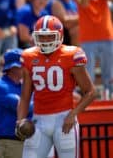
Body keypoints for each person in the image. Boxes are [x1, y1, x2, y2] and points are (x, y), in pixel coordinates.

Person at [17, 15, 97, 158]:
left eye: (50, 36)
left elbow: (90, 92)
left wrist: (73, 115)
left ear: (59, 35)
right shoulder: (28, 56)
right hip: (38, 120)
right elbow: (25, 95)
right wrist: (20, 120)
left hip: (63, 118)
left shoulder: (71, 55)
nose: (46, 41)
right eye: (42, 37)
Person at [71, 0, 113, 98]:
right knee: (89, 75)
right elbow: (84, 3)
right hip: (87, 38)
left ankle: (109, 98)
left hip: (106, 34)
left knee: (110, 74)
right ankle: (89, 101)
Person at [0, 48, 33, 158]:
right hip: (11, 143)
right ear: (14, 67)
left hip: (24, 141)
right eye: (24, 65)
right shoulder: (0, 86)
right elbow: (24, 107)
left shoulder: (22, 85)